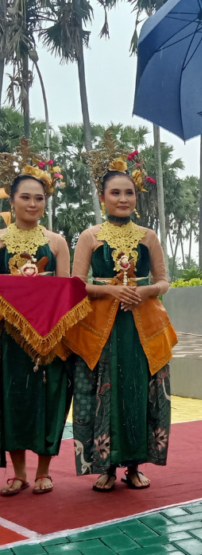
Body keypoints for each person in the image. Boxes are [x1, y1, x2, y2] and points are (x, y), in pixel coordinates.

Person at [64, 135, 177, 492]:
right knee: (105, 393)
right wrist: (113, 290)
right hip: (102, 331)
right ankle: (106, 467)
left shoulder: (148, 237)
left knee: (140, 394)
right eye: (115, 192)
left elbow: (164, 282)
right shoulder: (90, 236)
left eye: (129, 192)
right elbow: (76, 285)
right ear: (102, 197)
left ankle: (134, 466)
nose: (123, 198)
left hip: (143, 329)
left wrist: (141, 292)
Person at [0, 142, 71, 496]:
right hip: (6, 338)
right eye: (25, 197)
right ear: (10, 200)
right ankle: (18, 472)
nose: (32, 204)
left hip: (48, 336)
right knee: (10, 399)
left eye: (39, 198)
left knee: (48, 398)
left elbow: (68, 293)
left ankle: (44, 470)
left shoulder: (56, 242)